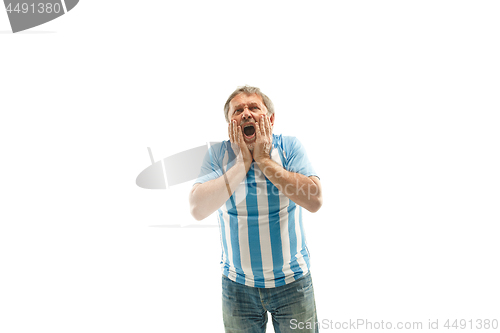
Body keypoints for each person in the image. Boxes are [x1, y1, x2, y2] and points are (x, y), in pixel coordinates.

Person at [189, 85, 322, 333]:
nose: (246, 114)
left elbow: (314, 200)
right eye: (238, 110)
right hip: (237, 287)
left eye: (254, 107)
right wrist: (242, 162)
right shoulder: (218, 155)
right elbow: (197, 208)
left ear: (270, 119)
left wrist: (263, 160)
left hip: (293, 284)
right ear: (230, 124)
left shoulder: (289, 147)